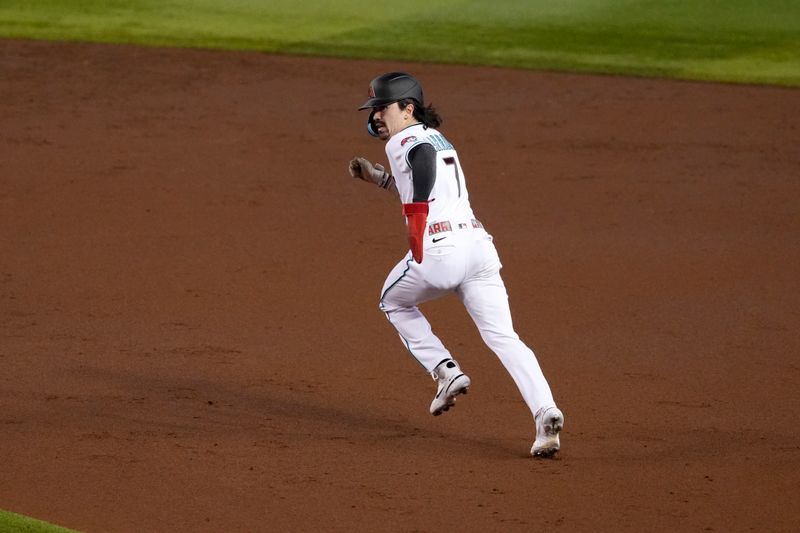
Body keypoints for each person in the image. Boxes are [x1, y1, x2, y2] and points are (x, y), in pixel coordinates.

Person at [348, 72, 564, 457]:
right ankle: (545, 413)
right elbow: (420, 181)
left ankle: (445, 372)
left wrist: (415, 227)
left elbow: (422, 165)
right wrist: (379, 179)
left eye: (382, 107)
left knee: (392, 301)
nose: (376, 115)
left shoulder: (407, 140)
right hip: (478, 248)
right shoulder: (437, 137)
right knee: (504, 337)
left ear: (407, 108)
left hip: (441, 251)